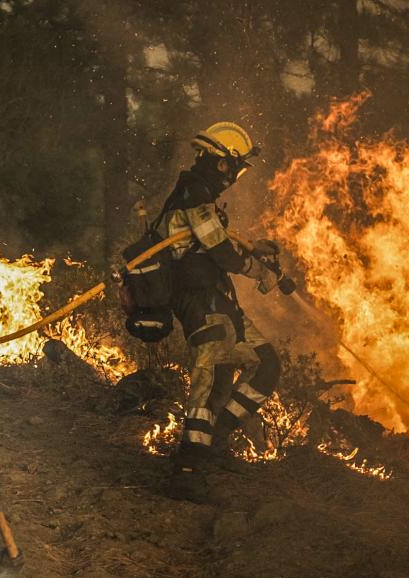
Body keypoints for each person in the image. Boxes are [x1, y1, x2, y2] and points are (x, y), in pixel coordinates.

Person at [120, 121, 286, 503]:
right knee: (208, 378)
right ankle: (188, 469)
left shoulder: (200, 196)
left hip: (216, 298)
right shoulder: (194, 193)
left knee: (266, 364)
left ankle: (215, 440)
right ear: (221, 163)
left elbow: (219, 243)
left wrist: (254, 251)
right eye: (236, 167)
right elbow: (220, 251)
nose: (237, 176)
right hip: (200, 301)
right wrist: (258, 270)